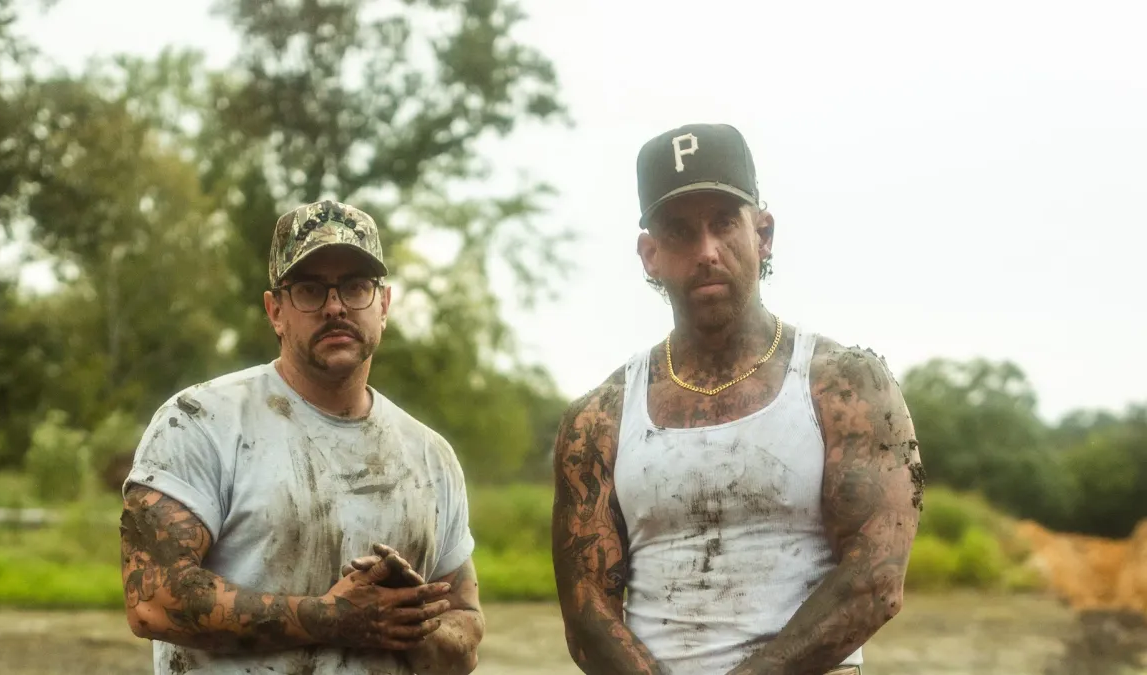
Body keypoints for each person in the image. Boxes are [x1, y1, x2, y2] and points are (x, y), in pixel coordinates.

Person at [550, 123, 925, 675]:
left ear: (763, 233)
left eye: (724, 223)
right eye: (679, 232)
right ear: (650, 254)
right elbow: (587, 617)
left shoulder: (846, 385)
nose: (706, 251)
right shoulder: (599, 416)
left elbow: (875, 581)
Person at [119, 200, 483, 675]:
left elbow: (465, 636)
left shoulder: (430, 456)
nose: (335, 306)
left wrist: (409, 621)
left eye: (355, 287)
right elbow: (152, 601)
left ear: (384, 305)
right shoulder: (199, 421)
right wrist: (331, 618)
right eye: (310, 289)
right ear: (276, 311)